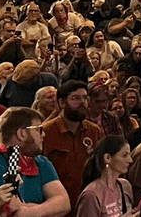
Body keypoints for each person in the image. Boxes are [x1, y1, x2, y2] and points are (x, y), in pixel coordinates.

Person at [0, 107, 71, 217]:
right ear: (22, 134)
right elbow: (14, 212)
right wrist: (50, 207)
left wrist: (30, 211)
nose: (43, 134)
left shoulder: (41, 162)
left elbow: (64, 203)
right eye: (38, 129)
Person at [42, 81, 104, 211]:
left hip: (89, 203)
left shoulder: (94, 131)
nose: (82, 103)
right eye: (75, 98)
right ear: (62, 103)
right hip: (59, 205)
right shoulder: (46, 132)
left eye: (85, 98)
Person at [77, 136, 137, 217]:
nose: (130, 160)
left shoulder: (124, 186)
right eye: (124, 155)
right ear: (108, 158)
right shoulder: (91, 195)